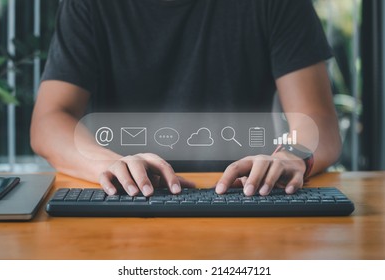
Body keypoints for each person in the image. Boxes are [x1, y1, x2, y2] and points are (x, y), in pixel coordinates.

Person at [30, 0, 341, 198]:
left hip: (249, 199)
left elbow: (318, 120)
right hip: (127, 200)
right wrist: (109, 163)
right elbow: (49, 120)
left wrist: (290, 156)